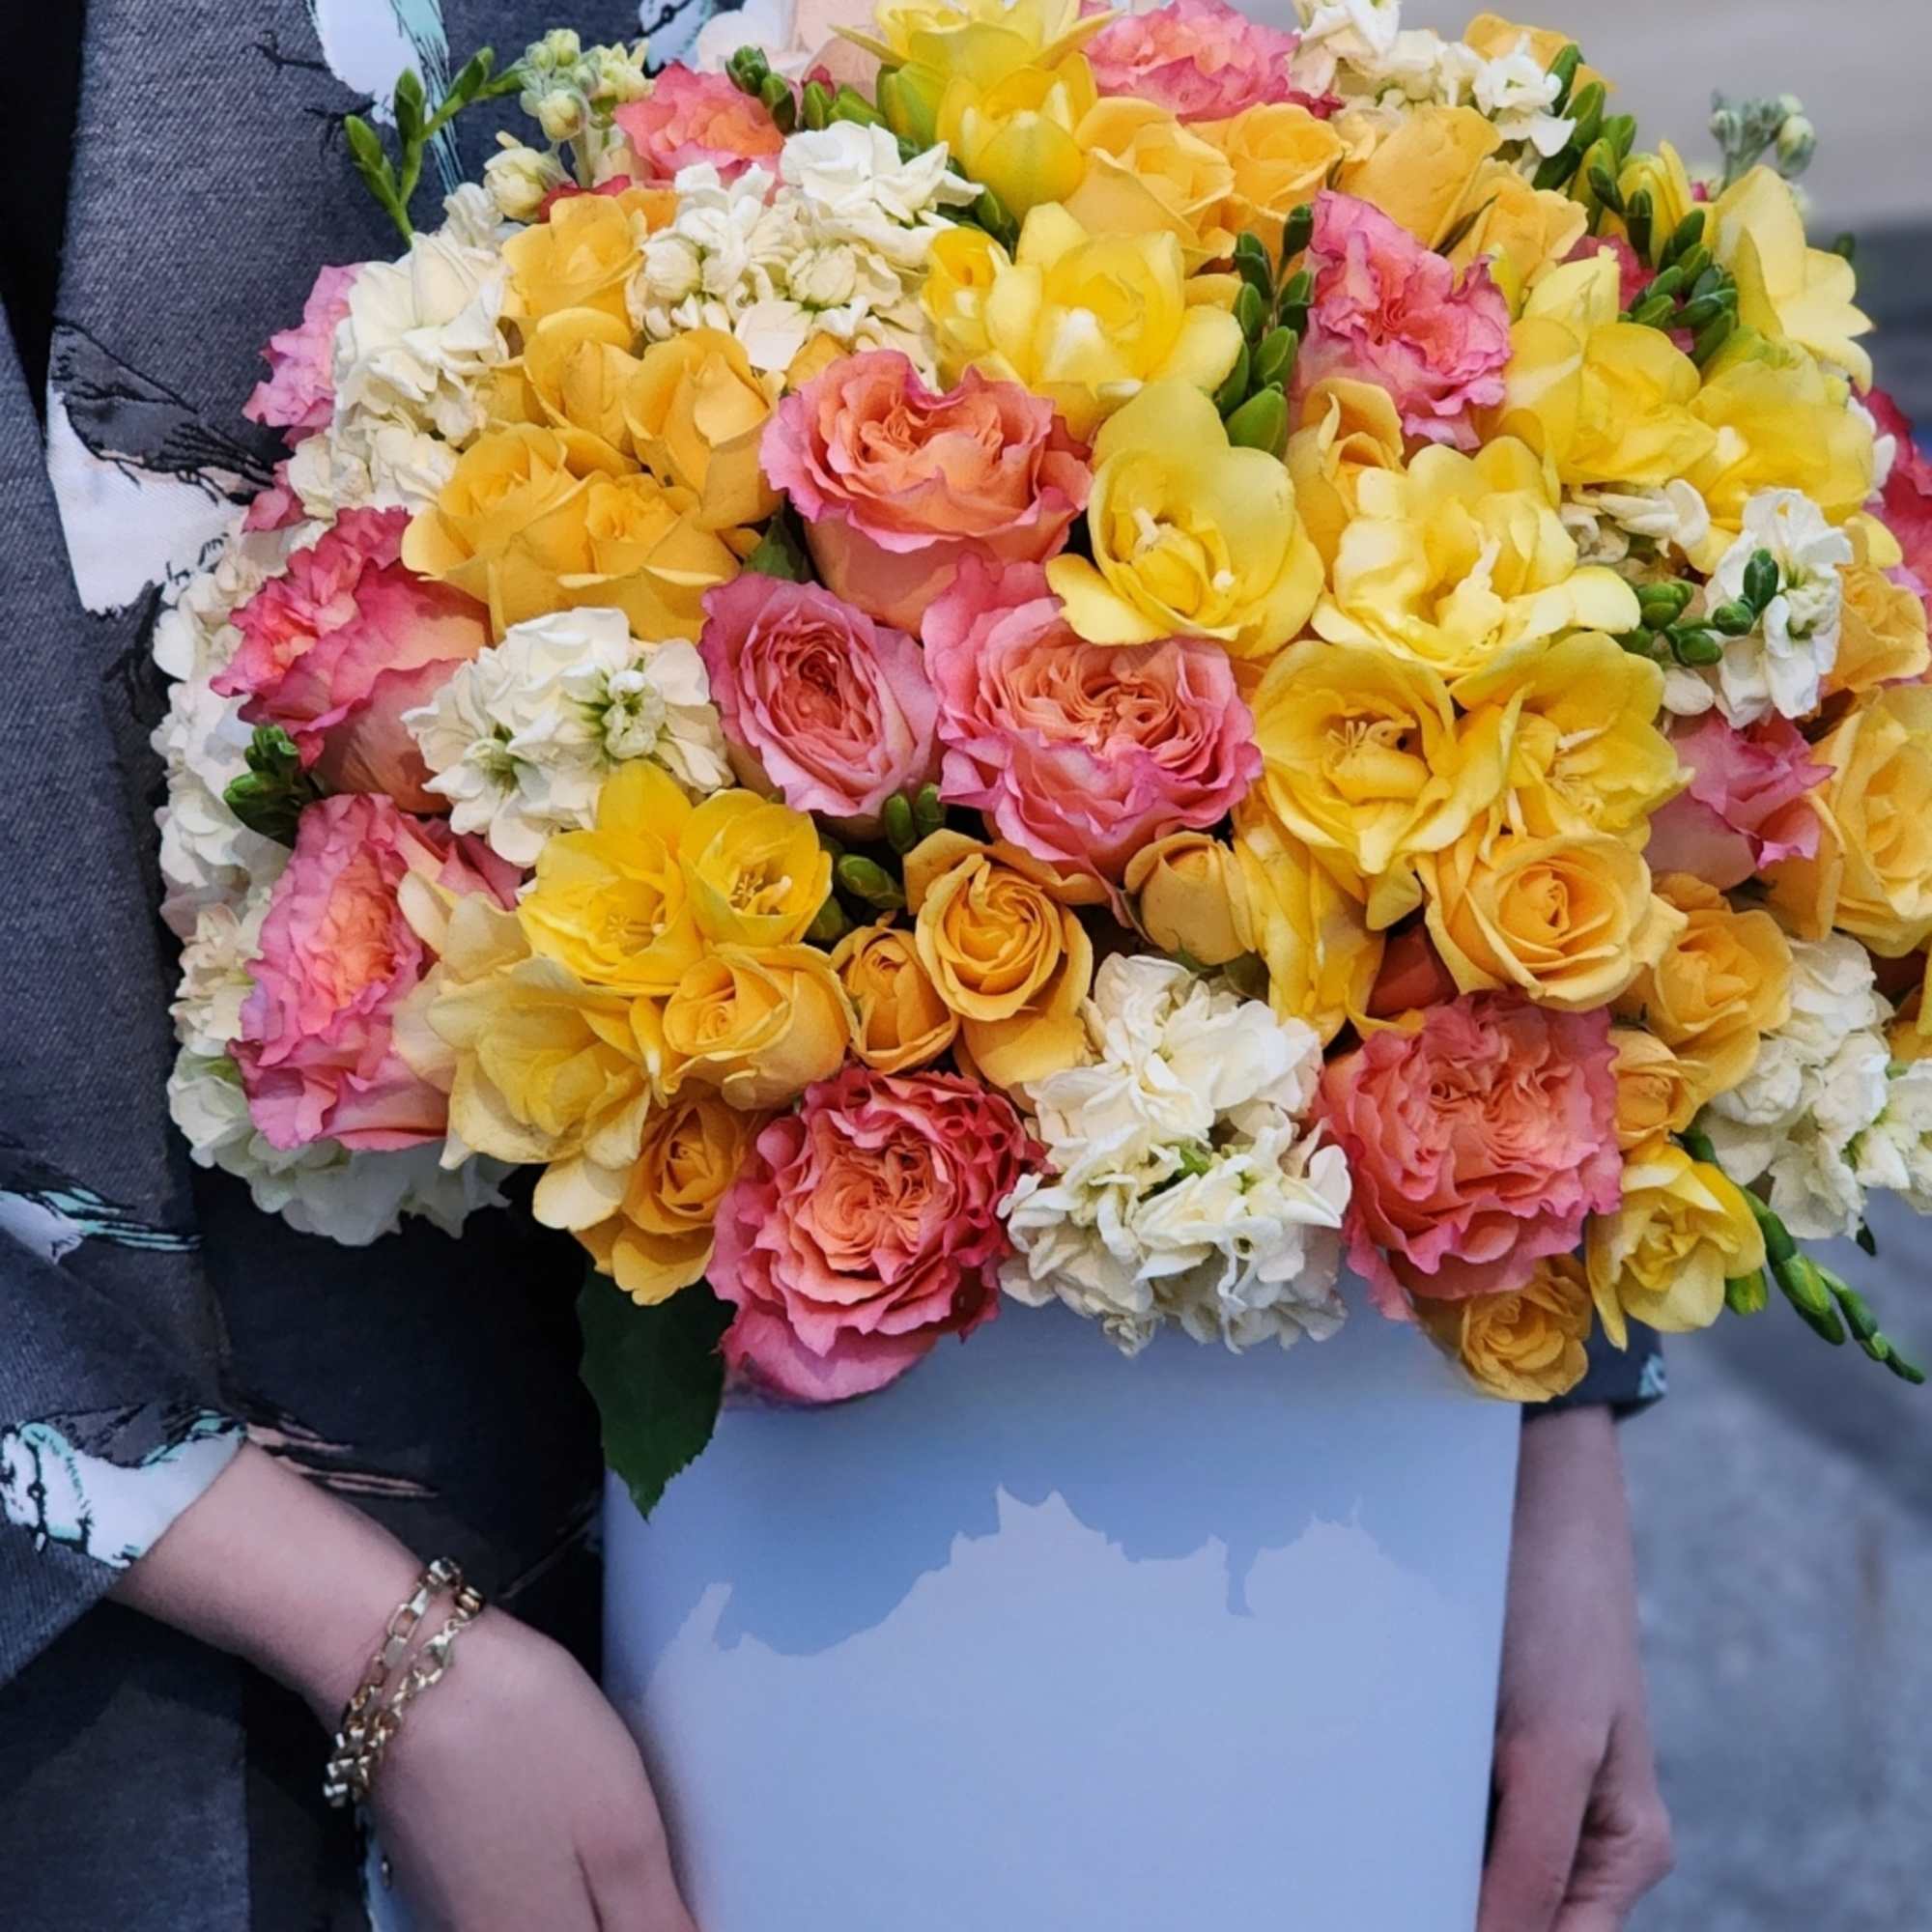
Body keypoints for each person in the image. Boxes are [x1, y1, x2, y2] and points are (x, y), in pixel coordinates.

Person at [0, 4, 1672, 1928]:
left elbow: (1352, 324)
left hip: (1028, 1559)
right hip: (183, 1624)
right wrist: (375, 1646)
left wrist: (1540, 1431)